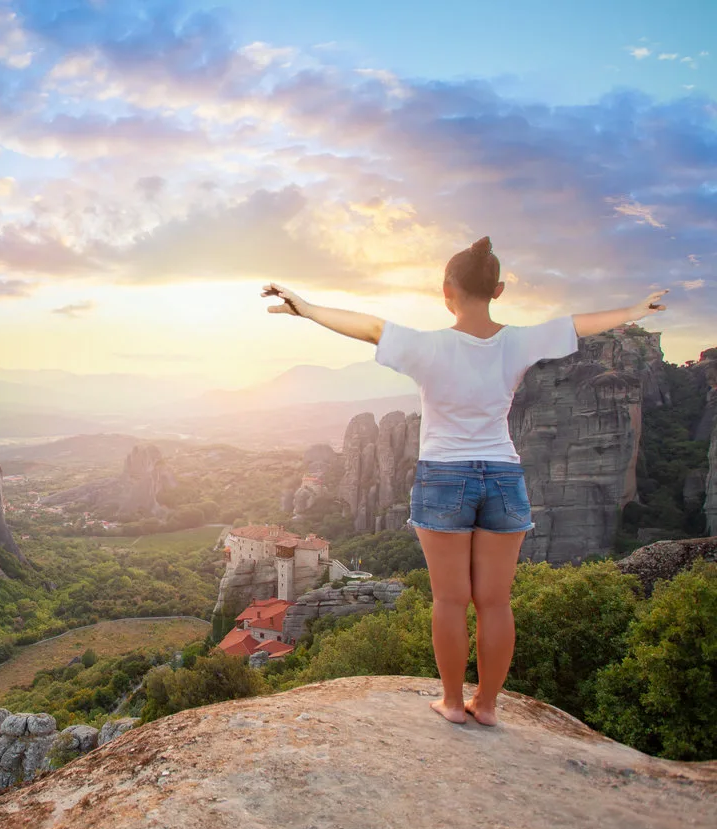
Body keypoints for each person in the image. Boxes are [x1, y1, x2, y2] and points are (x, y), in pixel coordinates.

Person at [263, 237, 668, 726]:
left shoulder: (427, 345)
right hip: (503, 474)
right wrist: (635, 310)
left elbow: (368, 327)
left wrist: (305, 308)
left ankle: (453, 703)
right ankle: (489, 705)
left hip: (443, 477)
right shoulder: (518, 341)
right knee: (495, 602)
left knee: (450, 600)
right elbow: (577, 325)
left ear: (445, 291)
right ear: (497, 290)